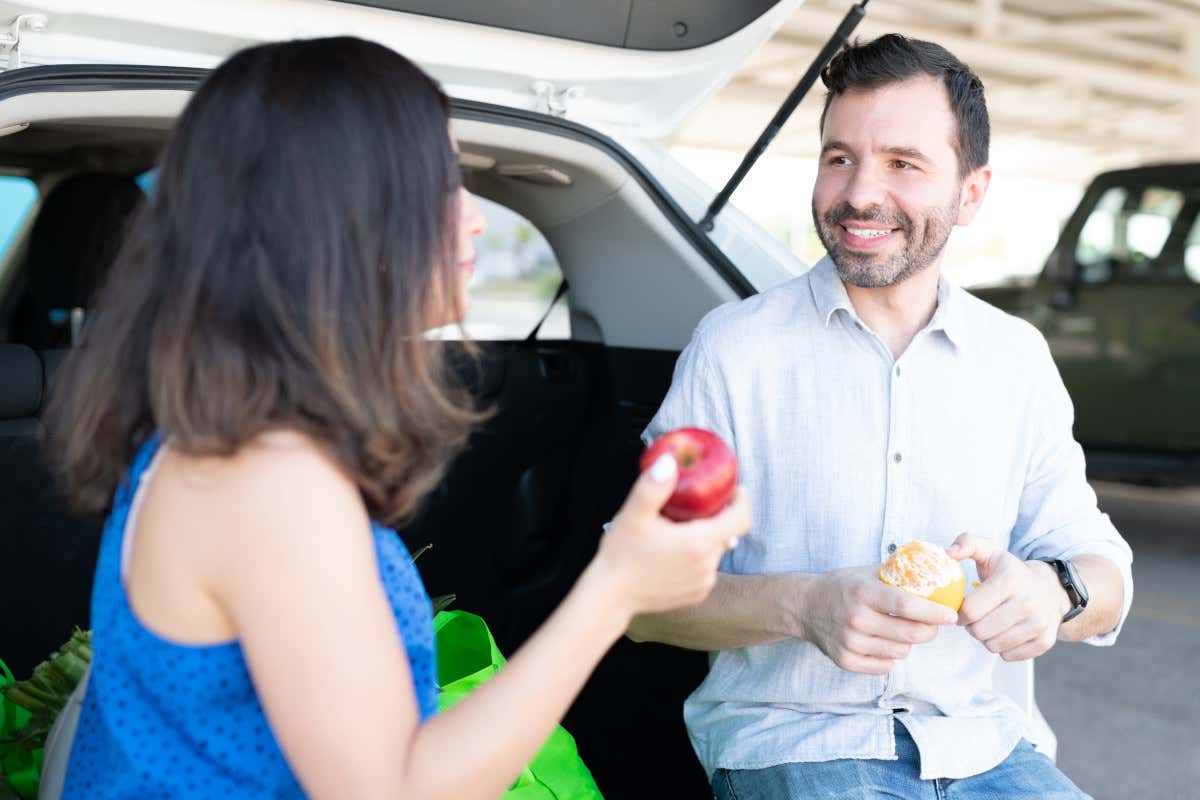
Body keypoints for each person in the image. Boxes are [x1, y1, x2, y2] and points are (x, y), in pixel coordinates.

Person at [42, 37, 751, 800]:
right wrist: (616, 589)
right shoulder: (271, 482)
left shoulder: (224, 436)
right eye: (442, 183)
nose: (473, 218)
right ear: (340, 217)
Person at [627, 34, 1133, 800]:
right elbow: (638, 598)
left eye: (903, 163)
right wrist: (804, 607)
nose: (860, 193)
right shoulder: (734, 349)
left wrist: (1056, 592)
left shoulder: (1016, 358)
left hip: (984, 747)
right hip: (795, 741)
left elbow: (1105, 574)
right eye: (839, 158)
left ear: (971, 193)